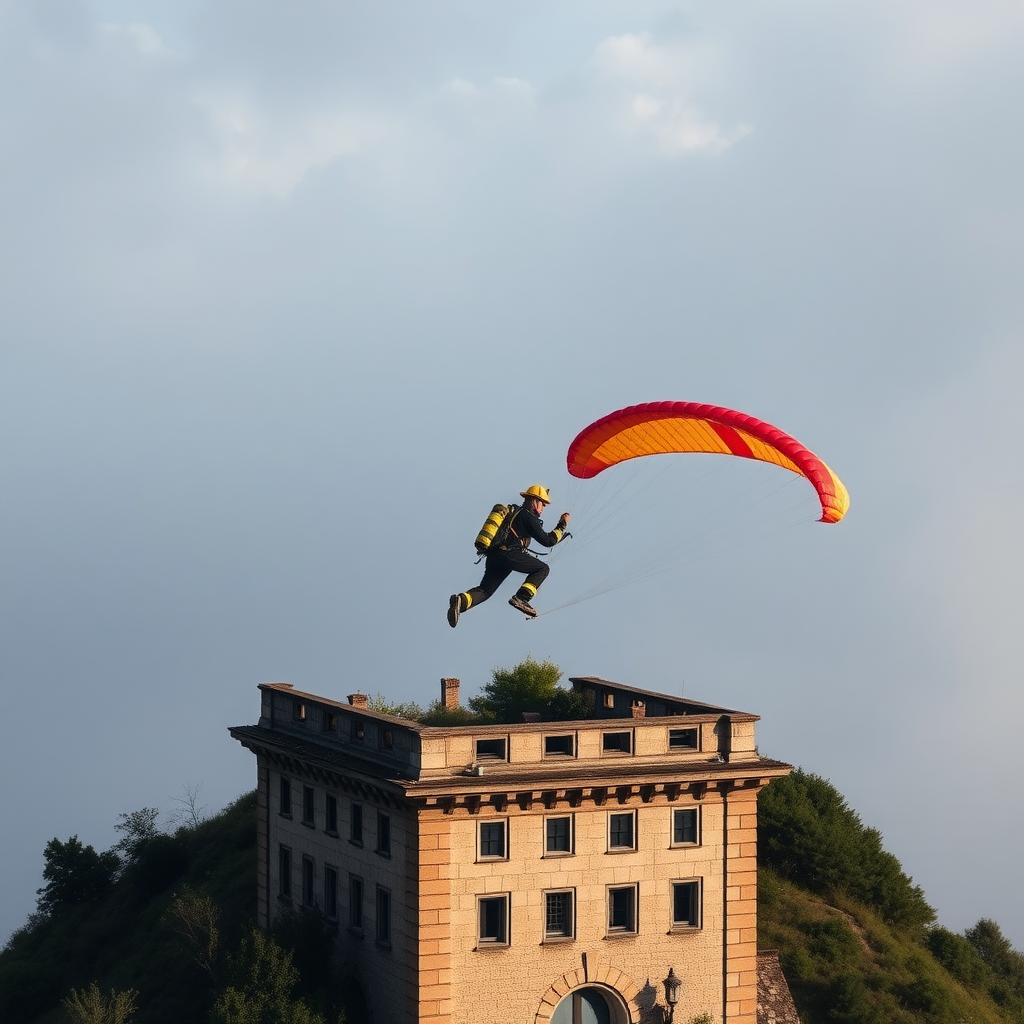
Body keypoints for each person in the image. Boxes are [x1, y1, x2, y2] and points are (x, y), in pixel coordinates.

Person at [448, 485, 570, 627]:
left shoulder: (516, 513)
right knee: (543, 569)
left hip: (494, 556)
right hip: (509, 554)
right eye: (542, 503)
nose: (543, 508)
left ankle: (460, 601)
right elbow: (548, 541)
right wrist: (562, 524)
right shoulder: (527, 516)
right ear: (534, 501)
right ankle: (521, 598)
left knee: (485, 590)